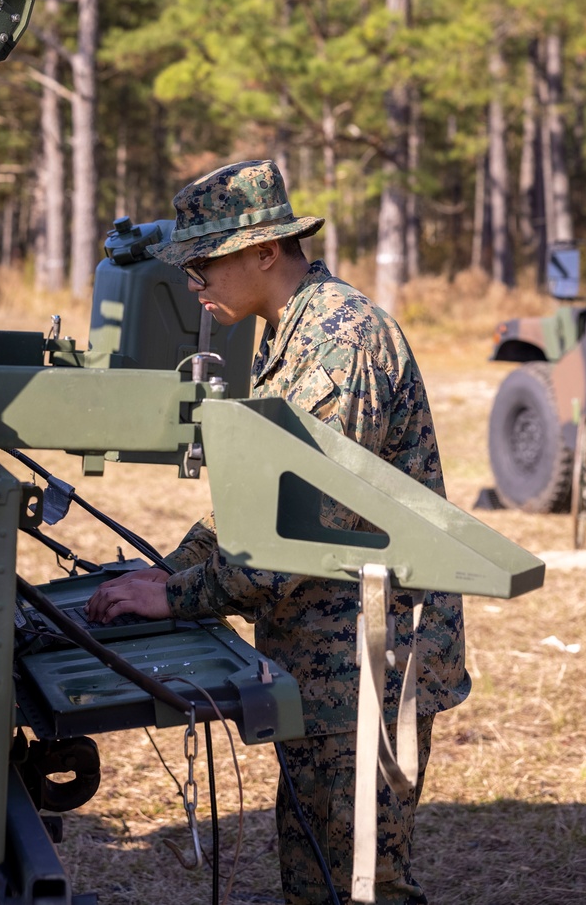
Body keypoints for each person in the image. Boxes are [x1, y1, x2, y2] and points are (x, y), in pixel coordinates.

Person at [84, 159, 469, 904]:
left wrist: (179, 596)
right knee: (315, 876)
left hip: (368, 667)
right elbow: (253, 493)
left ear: (266, 251)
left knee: (361, 883)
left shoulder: (337, 344)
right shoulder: (289, 333)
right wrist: (170, 572)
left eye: (206, 260)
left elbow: (294, 532)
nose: (193, 279)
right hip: (324, 661)